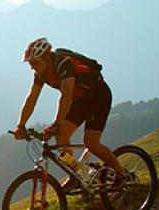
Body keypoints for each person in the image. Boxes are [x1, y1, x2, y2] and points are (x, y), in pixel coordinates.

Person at [12, 37, 126, 188]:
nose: (32, 67)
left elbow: (66, 95)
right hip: (80, 99)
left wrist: (57, 123)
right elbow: (32, 98)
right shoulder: (40, 73)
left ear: (46, 57)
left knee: (91, 143)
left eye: (34, 63)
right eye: (30, 64)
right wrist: (21, 125)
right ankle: (75, 176)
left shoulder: (64, 65)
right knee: (61, 136)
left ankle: (121, 174)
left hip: (98, 96)